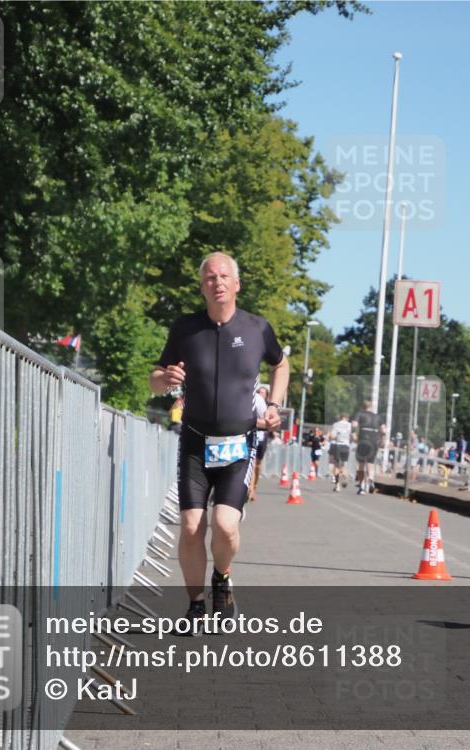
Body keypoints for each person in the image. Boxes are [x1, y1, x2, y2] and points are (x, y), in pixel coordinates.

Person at [149, 252, 289, 634]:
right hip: (195, 442)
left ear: (237, 284)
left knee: (225, 525)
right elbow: (157, 377)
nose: (217, 282)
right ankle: (195, 606)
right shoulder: (185, 328)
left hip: (238, 444)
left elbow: (281, 364)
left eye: (224, 276)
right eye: (210, 277)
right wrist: (165, 378)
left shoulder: (258, 328)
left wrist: (275, 404)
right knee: (192, 526)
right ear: (202, 286)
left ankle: (222, 580)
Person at [354, 400, 383, 494]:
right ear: (372, 407)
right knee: (370, 463)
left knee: (361, 464)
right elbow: (384, 430)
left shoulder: (360, 414)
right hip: (374, 442)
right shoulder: (377, 416)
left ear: (364, 407)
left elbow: (354, 424)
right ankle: (371, 479)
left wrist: (354, 433)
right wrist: (382, 439)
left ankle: (361, 486)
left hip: (363, 440)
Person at [248, 386, 270, 502]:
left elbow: (268, 423)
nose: (261, 394)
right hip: (250, 434)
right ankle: (250, 489)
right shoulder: (250, 400)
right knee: (252, 460)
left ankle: (254, 486)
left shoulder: (265, 406)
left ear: (266, 395)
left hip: (262, 436)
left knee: (258, 464)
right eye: (259, 392)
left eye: (263, 393)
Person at [329, 413, 352, 491]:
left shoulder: (336, 424)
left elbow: (333, 436)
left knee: (337, 465)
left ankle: (337, 486)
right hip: (346, 446)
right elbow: (353, 435)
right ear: (346, 418)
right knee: (344, 465)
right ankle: (345, 476)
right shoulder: (350, 425)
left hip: (338, 445)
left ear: (341, 417)